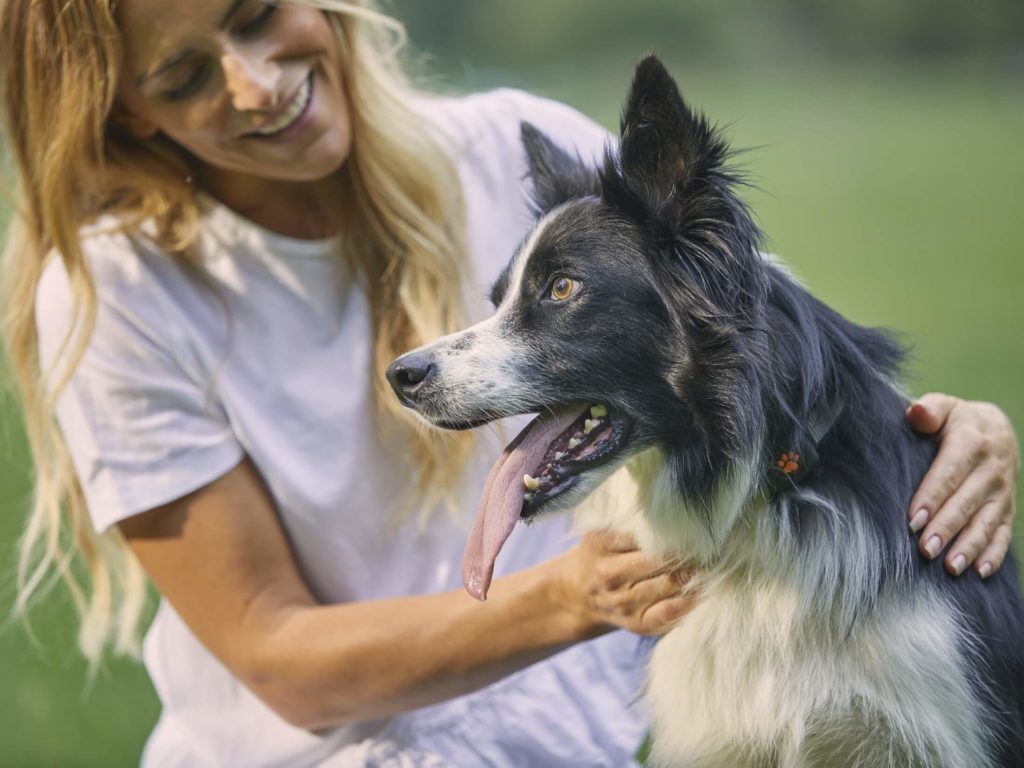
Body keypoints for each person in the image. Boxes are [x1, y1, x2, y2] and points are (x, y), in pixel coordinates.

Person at [0, 1, 1018, 766]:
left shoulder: (512, 150)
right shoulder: (113, 296)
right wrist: (570, 596)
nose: (258, 82)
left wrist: (933, 430)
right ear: (126, 120)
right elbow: (276, 655)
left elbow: (750, 352)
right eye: (184, 77)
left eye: (259, 14)